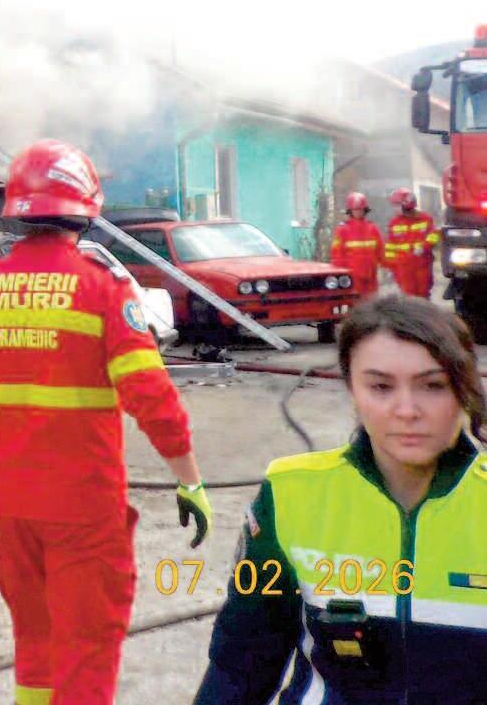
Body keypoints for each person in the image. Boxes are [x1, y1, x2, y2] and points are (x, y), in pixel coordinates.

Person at [0, 138, 210, 705]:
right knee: (89, 646)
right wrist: (189, 481)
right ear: (85, 208)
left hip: (10, 504)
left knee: (34, 639)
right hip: (84, 508)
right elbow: (151, 397)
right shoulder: (102, 288)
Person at [193, 295, 486, 703]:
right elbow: (240, 666)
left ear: (463, 390)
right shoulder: (292, 494)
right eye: (380, 386)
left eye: (432, 386)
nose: (407, 410)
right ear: (352, 390)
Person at [384, 188, 439, 299]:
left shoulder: (425, 219)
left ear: (407, 204)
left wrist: (424, 246)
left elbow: (434, 235)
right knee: (408, 298)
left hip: (422, 264)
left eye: (397, 205)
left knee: (423, 295)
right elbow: (390, 247)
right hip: (403, 268)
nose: (395, 208)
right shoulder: (394, 223)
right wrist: (389, 267)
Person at [330, 192, 383, 296]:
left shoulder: (373, 228)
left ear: (365, 210)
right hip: (352, 278)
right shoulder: (343, 230)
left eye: (360, 209)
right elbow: (336, 255)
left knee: (372, 303)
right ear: (350, 211)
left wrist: (384, 267)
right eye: (356, 209)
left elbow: (380, 251)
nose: (358, 212)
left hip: (371, 277)